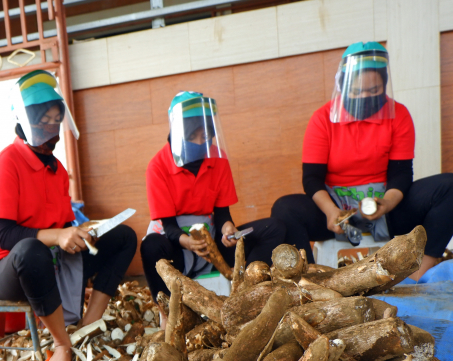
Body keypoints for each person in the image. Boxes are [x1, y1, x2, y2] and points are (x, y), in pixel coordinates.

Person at [0, 70, 137, 361]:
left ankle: (88, 326)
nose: (51, 126)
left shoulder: (57, 169)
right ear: (25, 121)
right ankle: (62, 344)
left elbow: (64, 227)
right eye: (43, 120)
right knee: (31, 251)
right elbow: (4, 234)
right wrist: (57, 237)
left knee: (124, 237)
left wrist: (81, 231)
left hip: (53, 258)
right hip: (8, 268)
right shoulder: (5, 165)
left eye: (56, 119)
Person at [271, 41, 453, 280]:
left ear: (384, 84)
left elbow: (401, 174)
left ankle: (418, 273)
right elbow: (312, 178)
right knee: (284, 208)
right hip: (336, 205)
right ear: (344, 86)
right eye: (357, 92)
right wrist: (330, 211)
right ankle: (311, 281)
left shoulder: (399, 114)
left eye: (374, 90)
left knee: (448, 186)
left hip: (385, 205)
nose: (365, 97)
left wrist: (386, 204)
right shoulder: (322, 119)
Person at [140, 91, 287, 306]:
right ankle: (168, 311)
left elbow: (222, 214)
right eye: (197, 136)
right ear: (183, 132)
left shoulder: (217, 158)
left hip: (212, 243)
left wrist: (228, 229)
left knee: (274, 228)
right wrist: (190, 243)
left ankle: (251, 291)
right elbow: (169, 228)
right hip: (178, 245)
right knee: (151, 247)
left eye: (207, 135)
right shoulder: (158, 166)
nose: (204, 142)